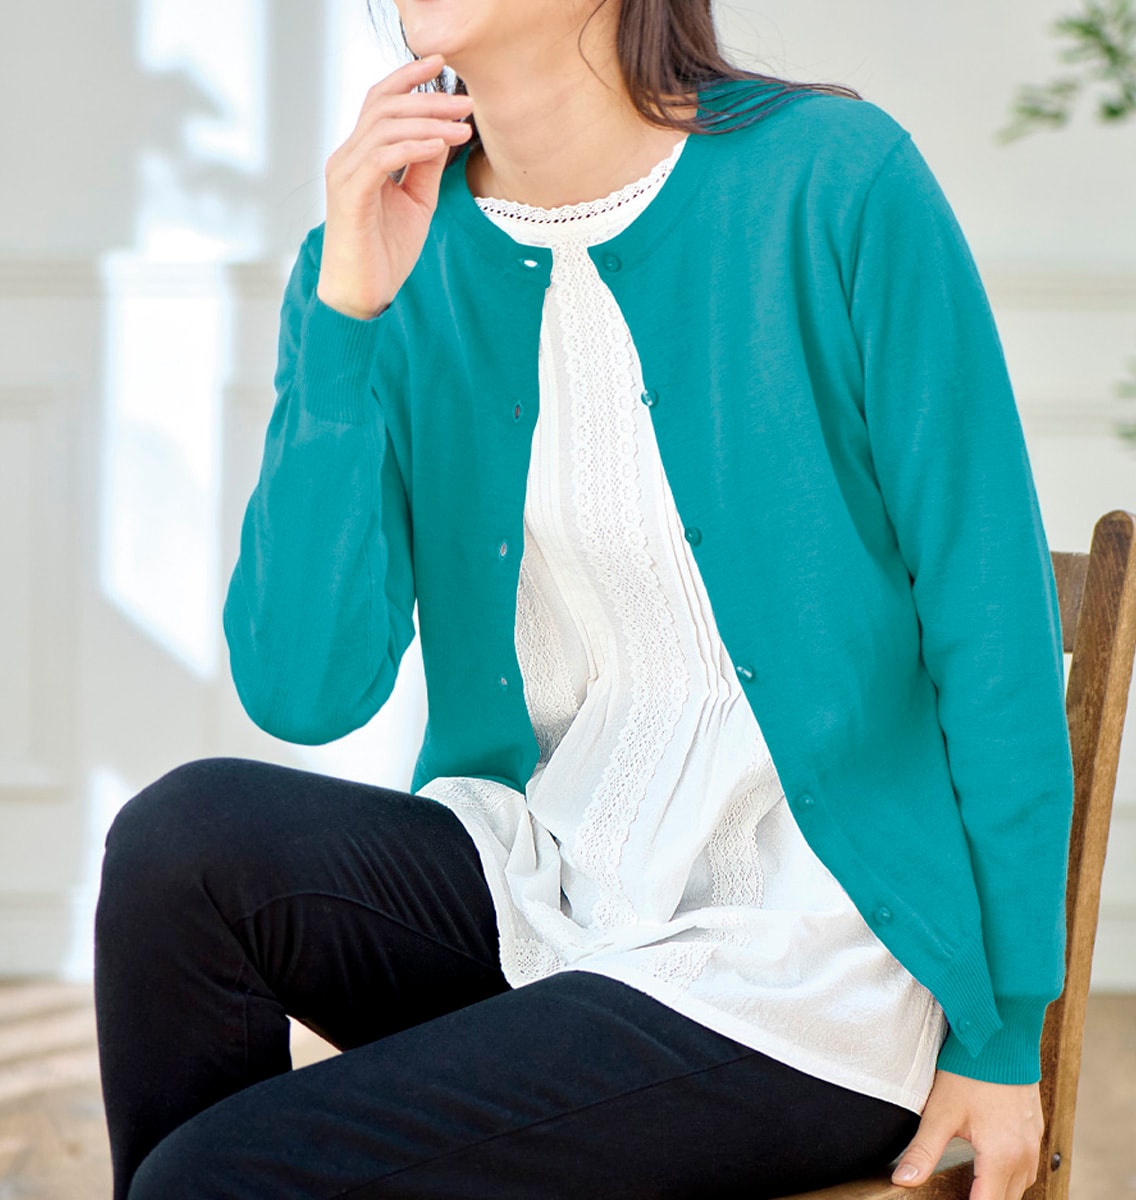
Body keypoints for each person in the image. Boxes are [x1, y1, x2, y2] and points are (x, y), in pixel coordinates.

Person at [93, 1, 1075, 1198]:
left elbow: (992, 625)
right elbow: (304, 689)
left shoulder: (831, 182)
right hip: (547, 895)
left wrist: (1002, 1034)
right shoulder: (391, 246)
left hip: (801, 970)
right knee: (180, 846)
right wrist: (344, 315)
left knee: (211, 1179)